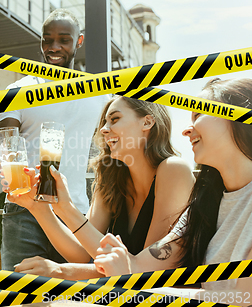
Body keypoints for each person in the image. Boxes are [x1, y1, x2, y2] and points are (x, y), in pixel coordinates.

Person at [94, 78, 252, 303]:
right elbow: (139, 267)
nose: (187, 130)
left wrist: (130, 283)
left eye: (199, 115)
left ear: (239, 115)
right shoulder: (204, 202)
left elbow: (244, 299)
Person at [8, 96, 194, 280]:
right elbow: (81, 253)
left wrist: (60, 271)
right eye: (104, 123)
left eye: (115, 119)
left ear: (147, 122)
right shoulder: (111, 178)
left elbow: (143, 270)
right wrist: (39, 208)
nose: (104, 130)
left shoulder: (174, 170)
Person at [0, 8, 110, 271]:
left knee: (73, 294)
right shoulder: (17, 91)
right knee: (18, 291)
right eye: (47, 39)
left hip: (73, 210)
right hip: (24, 209)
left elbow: (113, 144)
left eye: (64, 39)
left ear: (79, 41)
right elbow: (4, 139)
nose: (54, 47)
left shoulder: (98, 94)